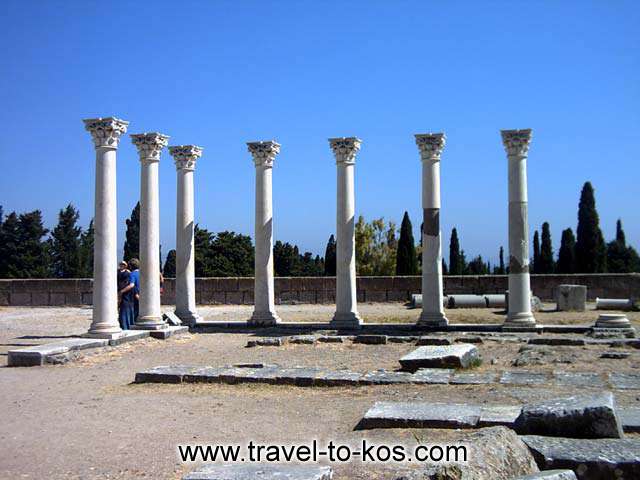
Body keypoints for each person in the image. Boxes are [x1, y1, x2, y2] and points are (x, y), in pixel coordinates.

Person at [117, 261, 135, 330]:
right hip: (119, 289)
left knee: (124, 308)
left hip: (125, 291)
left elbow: (130, 283)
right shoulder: (117, 272)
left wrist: (123, 290)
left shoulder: (128, 273)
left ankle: (125, 325)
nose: (122, 265)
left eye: (123, 264)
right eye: (121, 264)